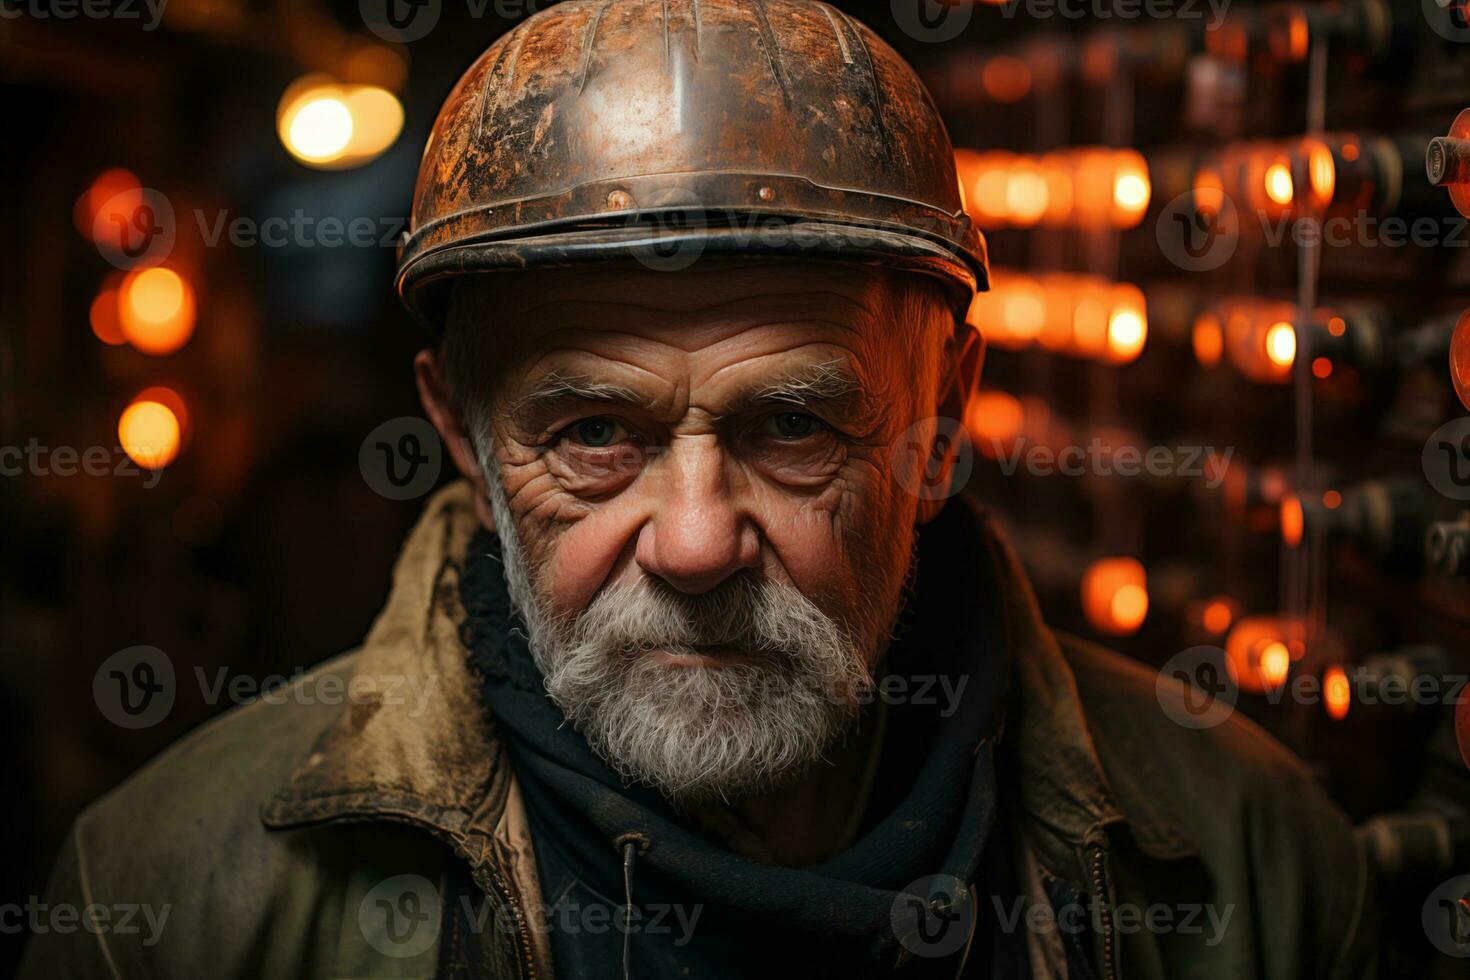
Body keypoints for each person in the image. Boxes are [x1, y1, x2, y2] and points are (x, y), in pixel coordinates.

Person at [21, 2, 1374, 977]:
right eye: (593, 432)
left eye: (792, 424)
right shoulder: (174, 899)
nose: (692, 541)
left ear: (944, 415)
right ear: (465, 441)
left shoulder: (1248, 859)